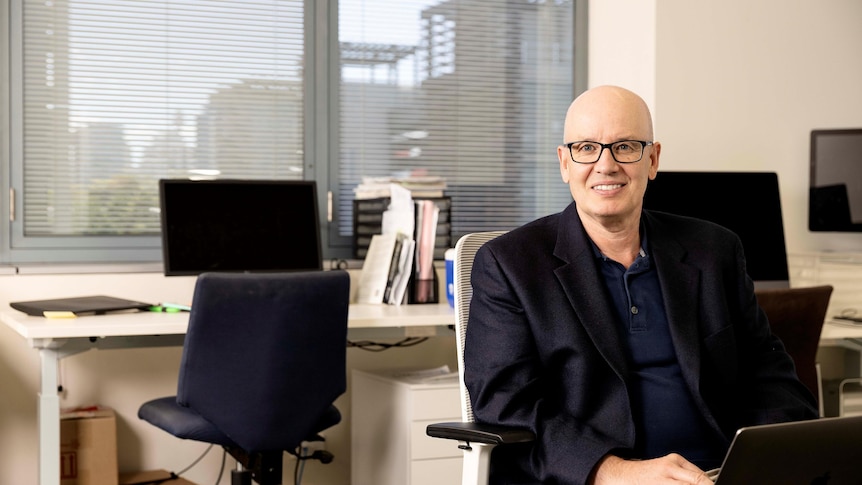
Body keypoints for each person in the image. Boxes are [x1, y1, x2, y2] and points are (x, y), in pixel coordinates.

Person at [463, 85, 818, 485]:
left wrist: (765, 460)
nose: (606, 164)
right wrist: (615, 472)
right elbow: (506, 402)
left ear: (653, 159)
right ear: (564, 163)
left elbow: (769, 373)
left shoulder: (714, 250)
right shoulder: (509, 264)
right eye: (586, 148)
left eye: (626, 147)